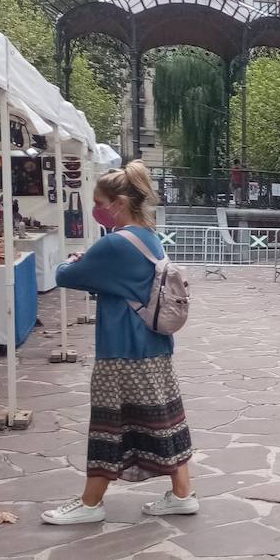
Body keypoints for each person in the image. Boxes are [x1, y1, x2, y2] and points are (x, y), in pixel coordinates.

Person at [42, 161, 196, 525]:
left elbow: (65, 275)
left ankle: (91, 503)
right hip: (154, 346)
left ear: (117, 203)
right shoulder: (149, 237)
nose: (96, 209)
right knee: (164, 419)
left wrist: (76, 261)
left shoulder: (114, 244)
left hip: (121, 349)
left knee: (109, 425)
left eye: (99, 202)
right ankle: (182, 494)